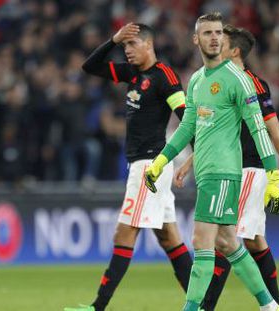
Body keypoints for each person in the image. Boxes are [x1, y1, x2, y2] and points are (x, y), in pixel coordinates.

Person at [145, 12, 279, 311]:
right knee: (228, 244)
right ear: (196, 39)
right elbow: (188, 127)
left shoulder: (238, 80)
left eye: (219, 32)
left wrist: (274, 175)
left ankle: (192, 309)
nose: (215, 37)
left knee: (200, 240)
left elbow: (260, 129)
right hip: (206, 173)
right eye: (207, 33)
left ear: (225, 39)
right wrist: (162, 160)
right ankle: (270, 305)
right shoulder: (195, 81)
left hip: (224, 173)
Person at [64, 23, 192, 311]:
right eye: (125, 48)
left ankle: (98, 306)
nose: (128, 52)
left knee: (123, 234)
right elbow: (90, 66)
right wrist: (113, 40)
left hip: (151, 166)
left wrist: (192, 159)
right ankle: (202, 303)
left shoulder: (164, 77)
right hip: (143, 164)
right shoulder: (133, 74)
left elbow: (187, 118)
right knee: (169, 238)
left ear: (148, 44)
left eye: (131, 46)